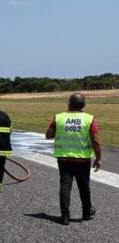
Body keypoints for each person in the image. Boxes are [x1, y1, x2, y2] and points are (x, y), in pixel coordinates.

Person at [45, 93, 102, 226]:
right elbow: (96, 141)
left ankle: (65, 216)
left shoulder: (58, 117)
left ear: (68, 104)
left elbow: (48, 135)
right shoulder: (90, 119)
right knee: (84, 186)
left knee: (65, 185)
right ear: (84, 105)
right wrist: (98, 158)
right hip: (83, 159)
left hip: (64, 158)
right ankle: (86, 212)